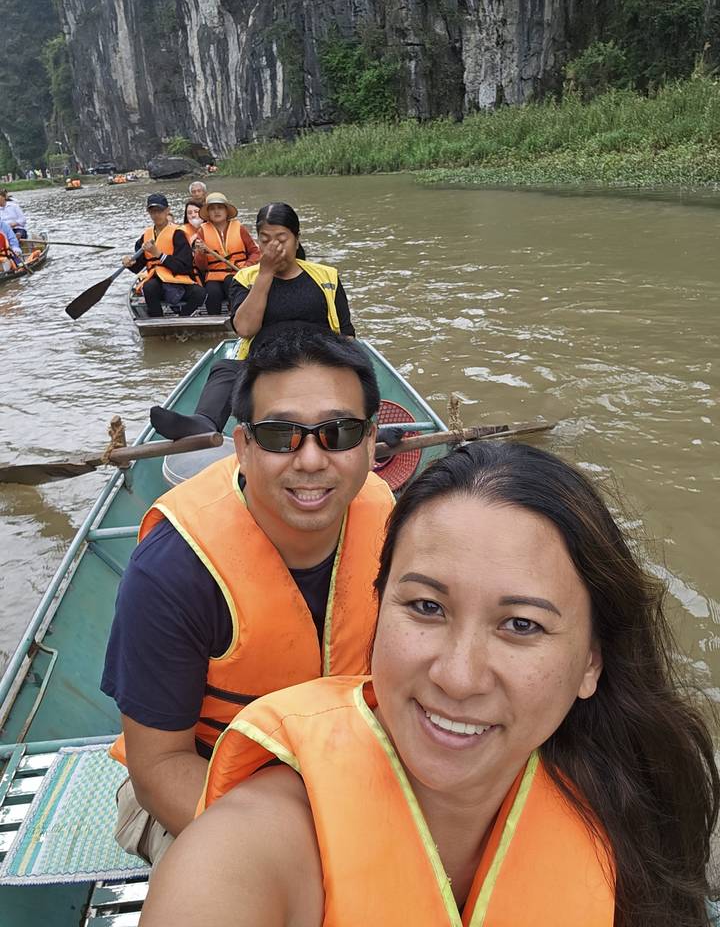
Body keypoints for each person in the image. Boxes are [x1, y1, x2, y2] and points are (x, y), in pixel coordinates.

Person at [141, 440, 719, 927]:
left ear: (592, 662)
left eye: (521, 625)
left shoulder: (637, 799)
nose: (458, 677)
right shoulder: (248, 852)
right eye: (425, 606)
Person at [102, 326, 394, 865]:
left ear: (372, 443)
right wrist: (314, 852)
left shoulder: (396, 526)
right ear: (243, 446)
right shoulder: (173, 569)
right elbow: (159, 768)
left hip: (354, 769)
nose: (310, 461)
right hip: (212, 783)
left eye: (340, 432)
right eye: (282, 436)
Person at [150, 202, 354, 442]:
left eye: (281, 238)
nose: (273, 246)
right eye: (265, 239)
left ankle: (361, 423)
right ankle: (204, 422)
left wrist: (346, 364)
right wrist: (265, 274)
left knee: (357, 365)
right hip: (267, 361)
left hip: (318, 358)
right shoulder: (246, 277)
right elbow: (246, 328)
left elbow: (347, 335)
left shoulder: (326, 276)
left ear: (296, 239)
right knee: (225, 369)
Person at [122, 193, 205, 318]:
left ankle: (183, 318)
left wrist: (159, 254)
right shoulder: (146, 236)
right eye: (152, 211)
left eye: (159, 211)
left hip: (178, 280)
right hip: (157, 282)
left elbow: (184, 267)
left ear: (167, 210)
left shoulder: (178, 234)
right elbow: (138, 267)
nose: (156, 215)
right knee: (149, 287)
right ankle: (157, 320)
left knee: (200, 293)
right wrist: (129, 263)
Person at [193, 192, 260, 314]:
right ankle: (215, 325)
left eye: (220, 208)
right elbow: (201, 266)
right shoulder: (202, 231)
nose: (216, 211)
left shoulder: (239, 228)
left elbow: (255, 252)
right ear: (208, 213)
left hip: (237, 272)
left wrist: (247, 266)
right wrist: (200, 253)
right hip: (214, 276)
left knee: (231, 283)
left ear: (226, 210)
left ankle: (238, 318)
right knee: (212, 292)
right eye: (212, 209)